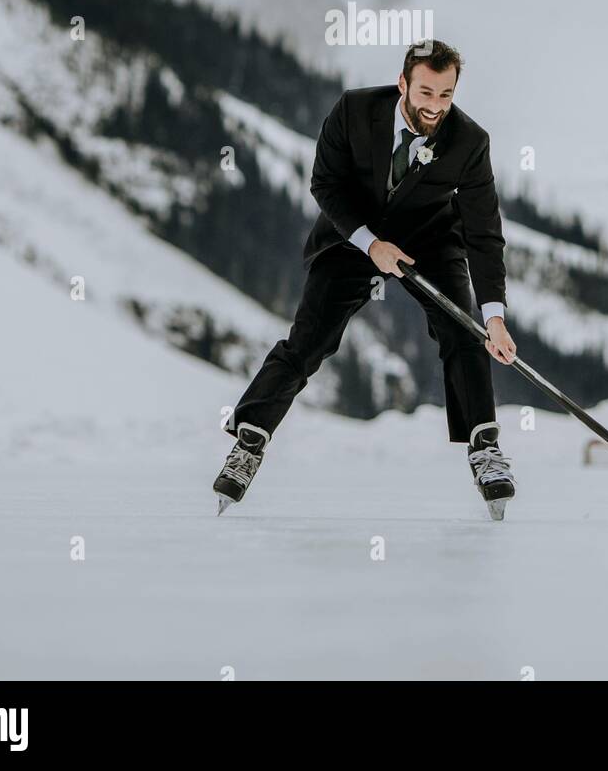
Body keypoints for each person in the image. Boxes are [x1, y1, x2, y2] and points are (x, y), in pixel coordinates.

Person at [213, 38, 519, 518]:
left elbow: (483, 232)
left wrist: (495, 317)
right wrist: (370, 243)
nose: (435, 106)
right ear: (403, 84)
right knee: (309, 341)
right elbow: (325, 184)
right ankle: (250, 440)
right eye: (426, 93)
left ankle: (484, 446)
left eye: (446, 95)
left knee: (464, 334)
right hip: (353, 238)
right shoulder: (355, 110)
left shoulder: (470, 142)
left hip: (431, 243)